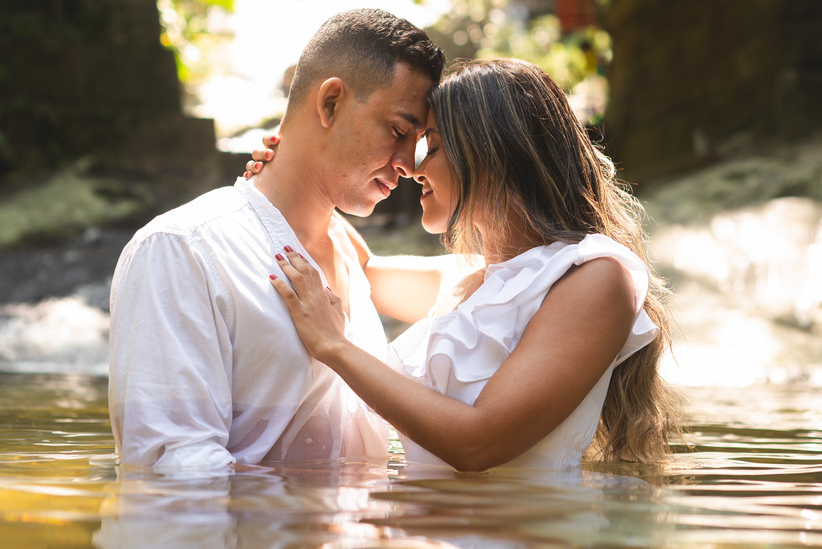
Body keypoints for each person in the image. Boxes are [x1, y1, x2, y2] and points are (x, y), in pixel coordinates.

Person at [261, 57, 681, 471]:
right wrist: (288, 169)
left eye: (433, 147)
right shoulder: (468, 278)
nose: (415, 170)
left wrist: (334, 347)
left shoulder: (593, 276)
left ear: (490, 153)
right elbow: (363, 269)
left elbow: (477, 444)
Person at [107, 7, 445, 472]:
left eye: (418, 142)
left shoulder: (351, 259)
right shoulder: (183, 249)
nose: (409, 164)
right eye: (398, 131)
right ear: (331, 103)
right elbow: (175, 473)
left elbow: (500, 275)